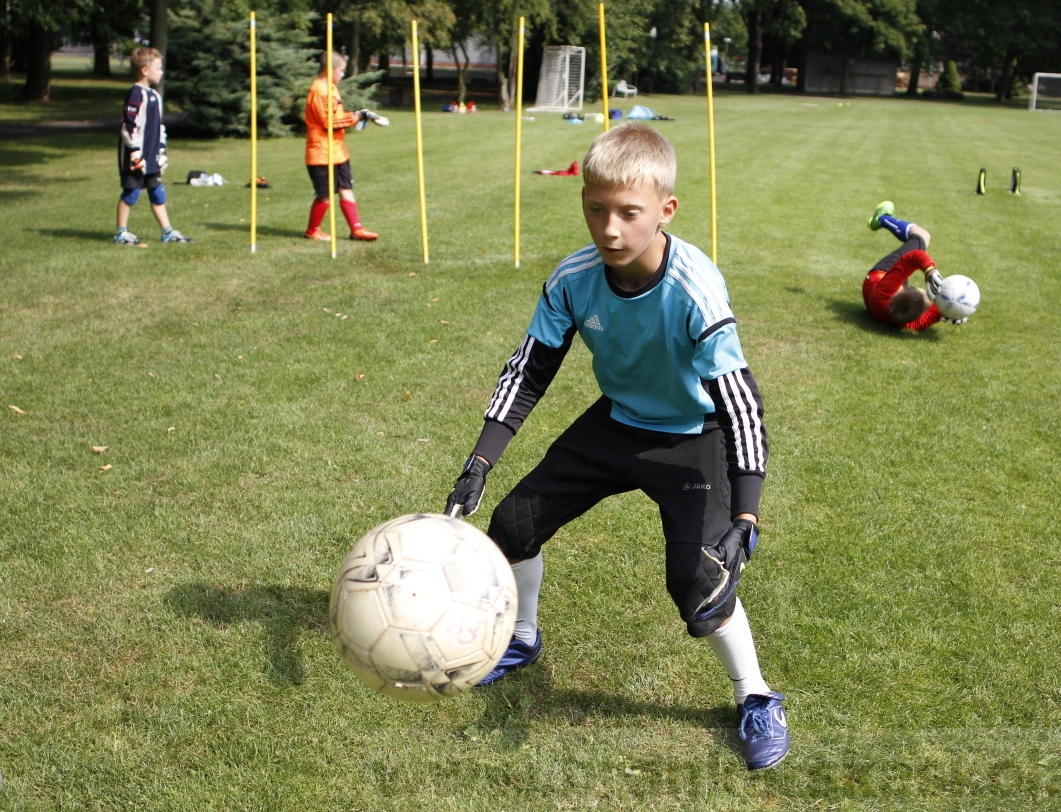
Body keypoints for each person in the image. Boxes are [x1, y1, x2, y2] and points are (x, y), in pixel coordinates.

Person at [444, 123, 788, 771]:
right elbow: (529, 369)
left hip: (694, 434)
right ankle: (523, 640)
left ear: (665, 209)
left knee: (698, 584)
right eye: (595, 208)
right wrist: (481, 459)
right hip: (619, 421)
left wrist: (746, 514)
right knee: (513, 523)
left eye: (628, 213)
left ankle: (757, 695)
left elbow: (741, 401)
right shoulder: (574, 278)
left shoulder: (694, 287)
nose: (609, 228)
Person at [114, 47, 191, 245]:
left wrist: (161, 151)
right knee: (131, 193)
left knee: (157, 191)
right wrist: (135, 153)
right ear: (145, 70)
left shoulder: (155, 97)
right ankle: (120, 233)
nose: (161, 71)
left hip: (152, 156)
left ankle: (167, 232)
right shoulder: (135, 94)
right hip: (136, 158)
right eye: (158, 67)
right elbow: (128, 126)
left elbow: (159, 127)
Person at [304, 53, 378, 242]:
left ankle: (356, 229)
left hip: (338, 151)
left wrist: (358, 115)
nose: (343, 74)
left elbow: (337, 114)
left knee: (346, 187)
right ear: (330, 69)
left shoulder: (332, 88)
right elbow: (330, 122)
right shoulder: (320, 90)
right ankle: (312, 231)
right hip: (321, 152)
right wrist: (358, 117)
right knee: (325, 194)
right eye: (341, 70)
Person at [863, 201, 967, 329]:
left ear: (901, 292)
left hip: (881, 274)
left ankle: (882, 218)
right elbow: (926, 320)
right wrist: (949, 311)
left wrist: (930, 271)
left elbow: (914, 256)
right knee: (924, 237)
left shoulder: (884, 292)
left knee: (922, 236)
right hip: (880, 301)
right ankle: (882, 218)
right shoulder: (905, 322)